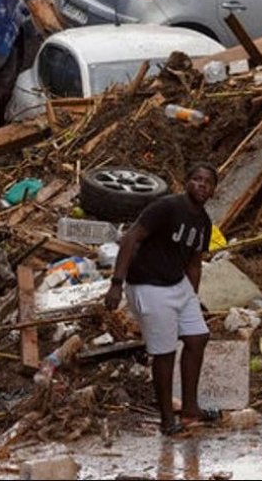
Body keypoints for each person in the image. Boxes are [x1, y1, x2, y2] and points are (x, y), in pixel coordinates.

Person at [104, 162, 222, 437]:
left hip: (177, 284)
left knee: (197, 338)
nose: (202, 185)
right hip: (148, 284)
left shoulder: (203, 222)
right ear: (186, 182)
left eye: (208, 182)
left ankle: (191, 409)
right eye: (197, 179)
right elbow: (131, 238)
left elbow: (195, 262)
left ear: (214, 190)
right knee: (164, 351)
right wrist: (116, 284)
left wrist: (192, 295)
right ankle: (168, 419)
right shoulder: (167, 207)